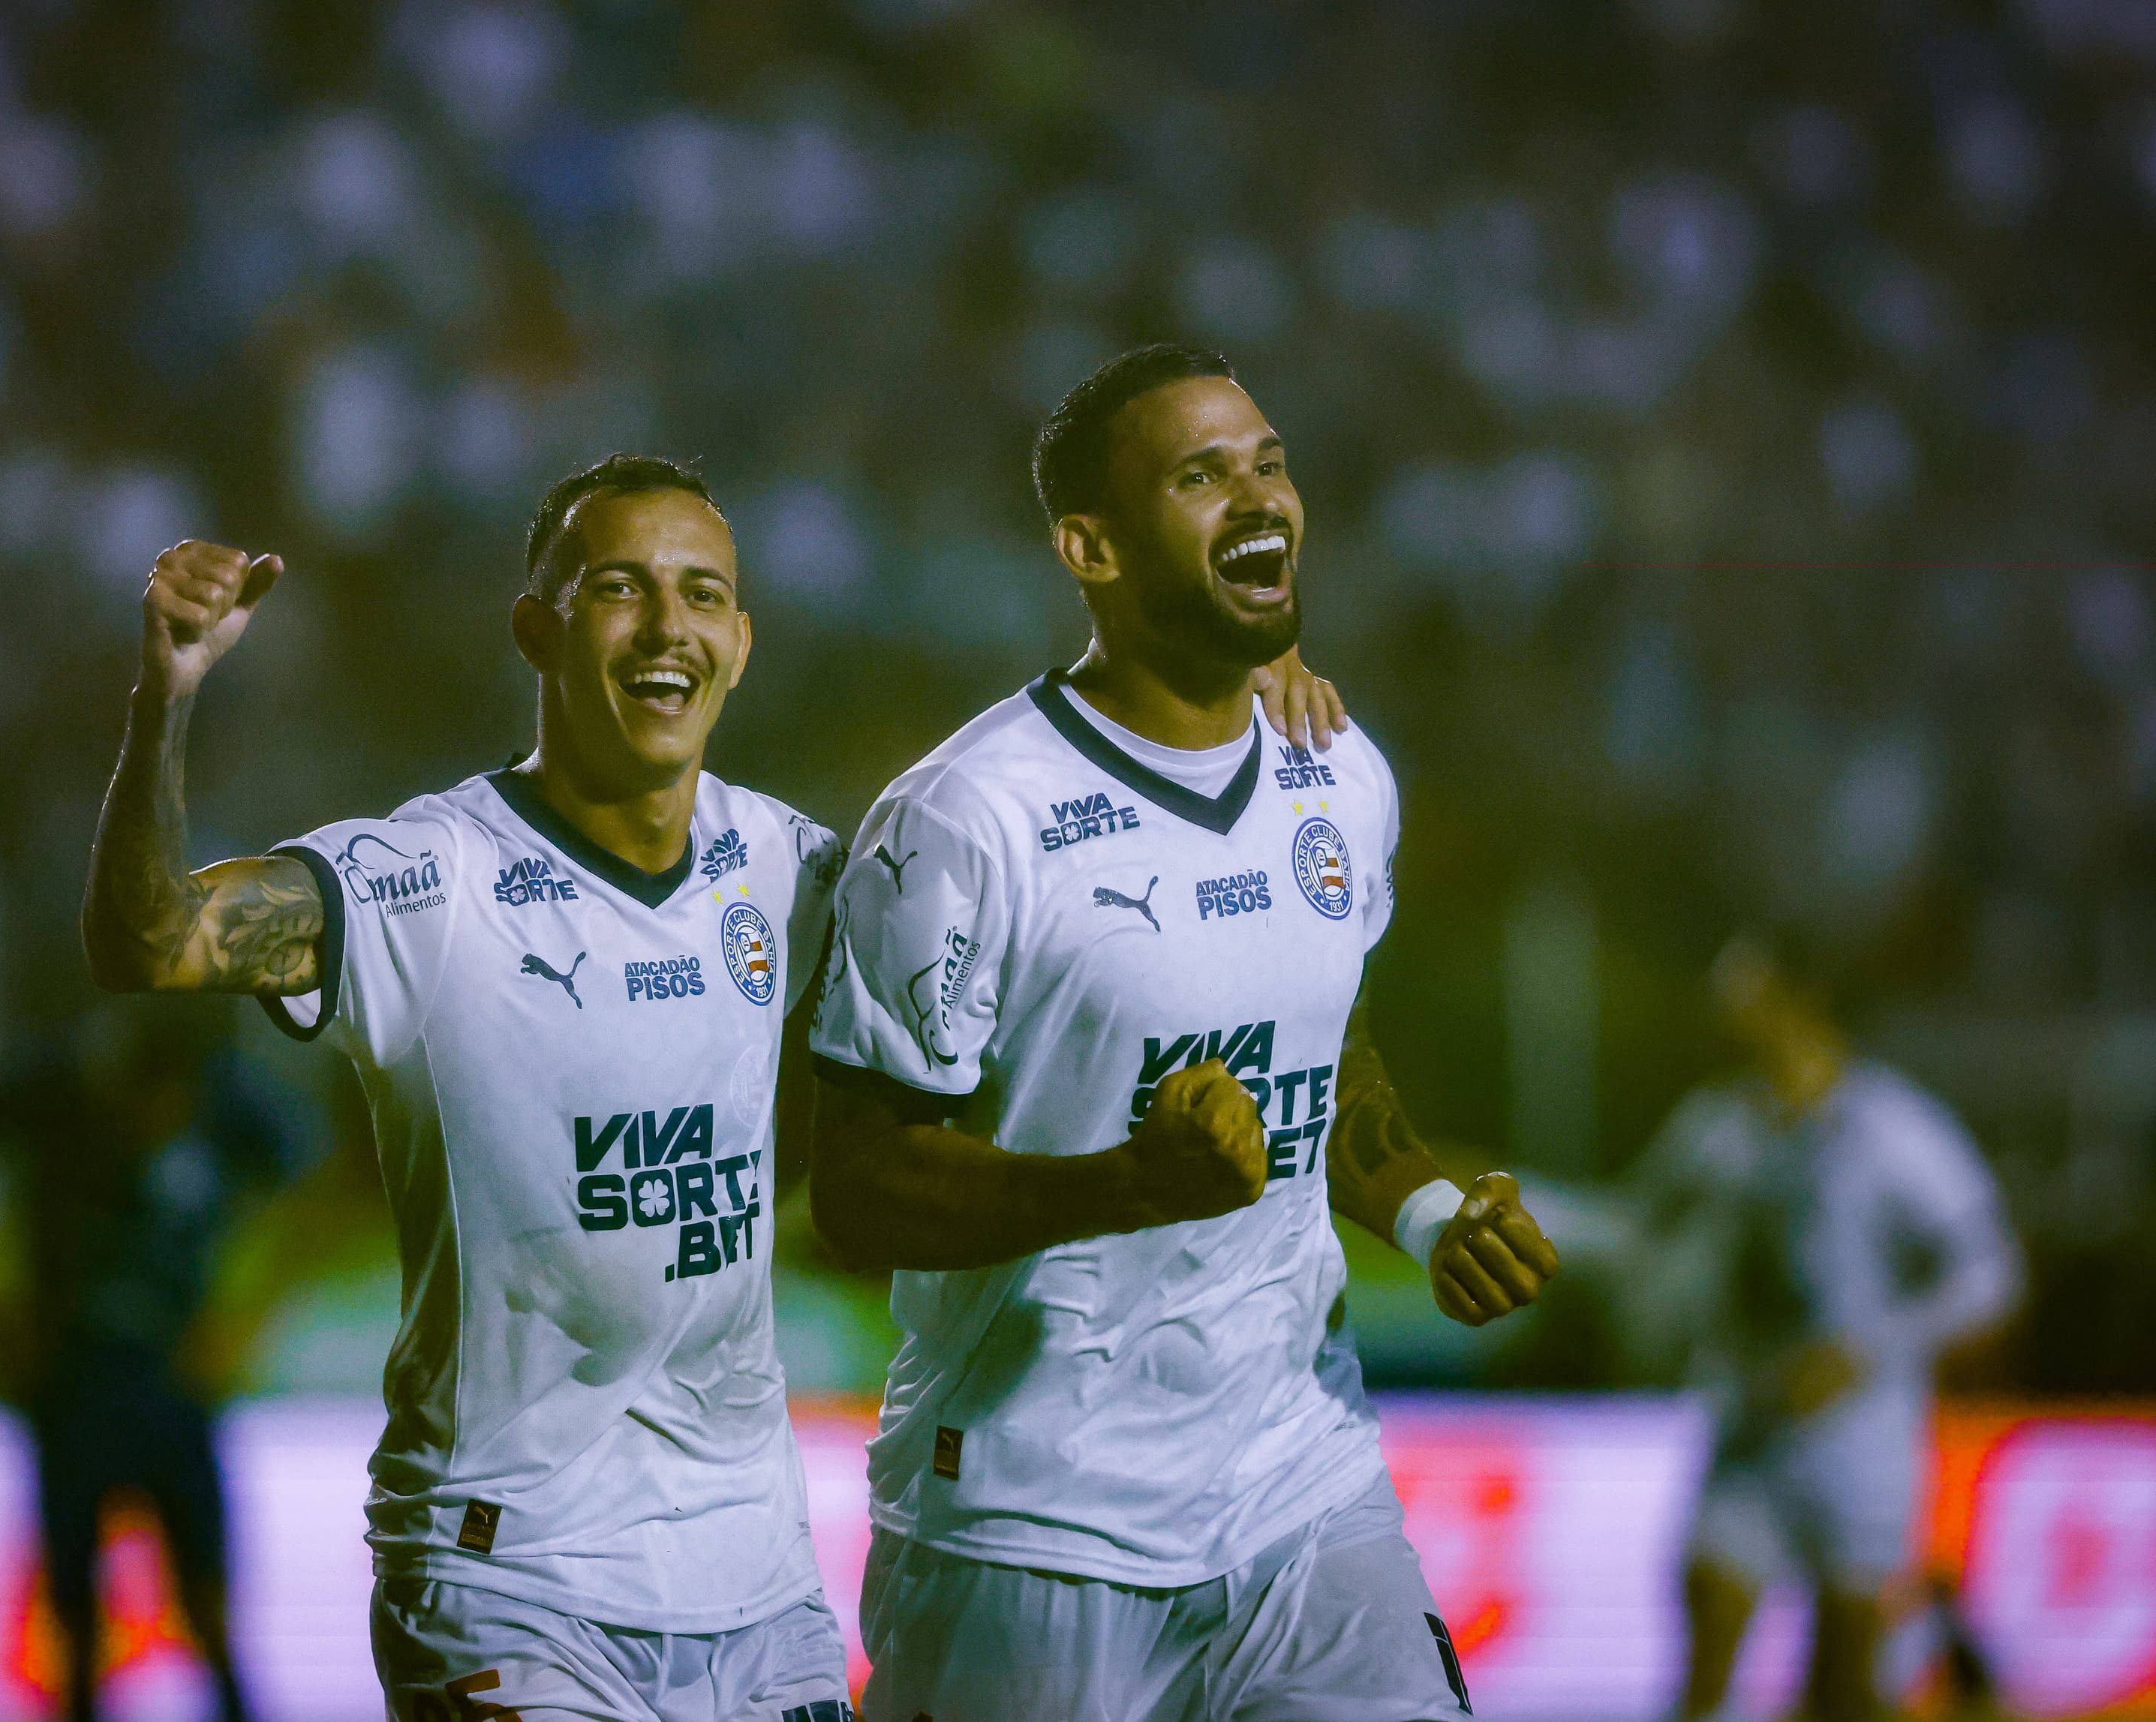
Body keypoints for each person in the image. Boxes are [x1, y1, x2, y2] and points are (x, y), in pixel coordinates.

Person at [80, 453, 1337, 1721]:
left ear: (738, 643)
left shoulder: (792, 871)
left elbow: (1030, 925)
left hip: (760, 1587)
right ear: (538, 627)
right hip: (512, 1574)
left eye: (701, 593)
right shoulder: (426, 879)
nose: (667, 622)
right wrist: (166, 694)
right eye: (620, 587)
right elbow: (151, 940)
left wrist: (1206, 699)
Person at [807, 343, 1564, 1721]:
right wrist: (1121, 1187)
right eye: (1202, 474)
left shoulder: (1339, 772)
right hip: (1035, 1523)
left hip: (1301, 1484)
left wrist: (1434, 1211)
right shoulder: (964, 819)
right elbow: (857, 1188)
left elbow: (1330, 1062)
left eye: (1269, 462)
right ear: (1089, 546)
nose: (1258, 496)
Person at [1634, 928, 2018, 1722]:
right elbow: (1639, 1227)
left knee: (1844, 1691)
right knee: (1704, 1656)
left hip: (1861, 1448)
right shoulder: (1720, 1127)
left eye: (1742, 983)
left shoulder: (1892, 1127)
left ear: (1797, 998)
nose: (1721, 1002)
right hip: (1750, 1430)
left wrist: (1873, 1350)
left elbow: (1990, 1271)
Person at [0, 1000, 318, 1722]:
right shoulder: (47, 1093)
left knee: (210, 1607)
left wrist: (248, 1316)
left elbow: (316, 1193)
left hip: (175, 1390)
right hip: (73, 1385)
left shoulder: (233, 1102)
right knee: (76, 1620)